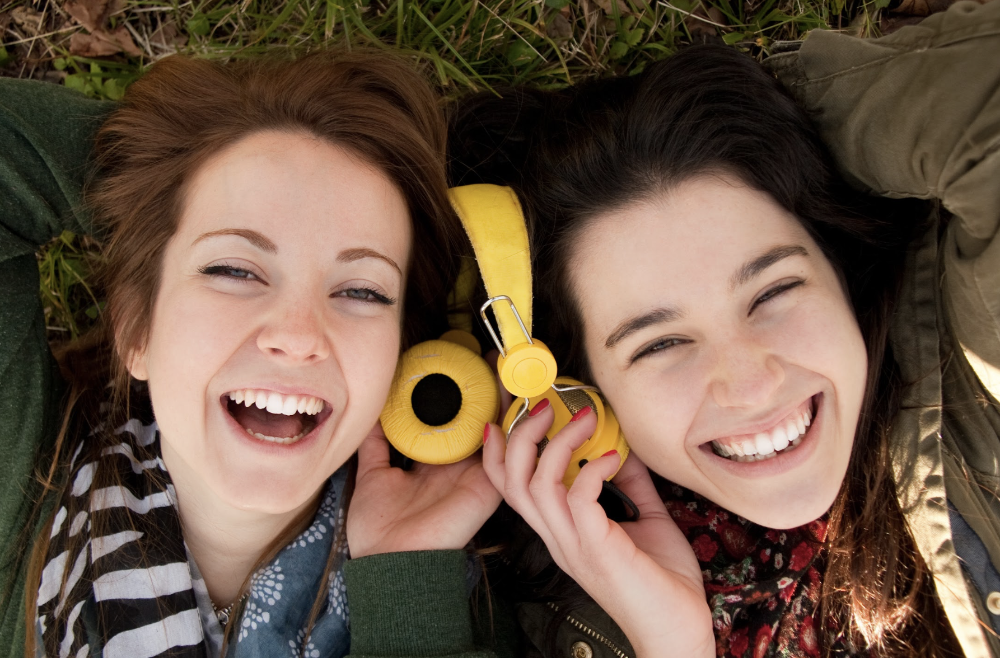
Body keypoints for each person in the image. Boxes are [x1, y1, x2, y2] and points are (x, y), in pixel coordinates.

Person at [451, 2, 1000, 656]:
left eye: (772, 291)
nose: (748, 382)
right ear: (584, 389)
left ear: (835, 264)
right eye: (659, 343)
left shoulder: (971, 385)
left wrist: (782, 127)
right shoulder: (546, 612)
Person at [0, 51, 508, 657]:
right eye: (234, 269)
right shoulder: (20, 487)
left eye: (360, 290)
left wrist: (408, 588)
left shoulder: (465, 588)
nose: (298, 335)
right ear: (136, 326)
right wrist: (156, 181)